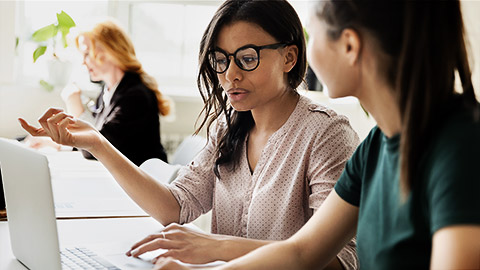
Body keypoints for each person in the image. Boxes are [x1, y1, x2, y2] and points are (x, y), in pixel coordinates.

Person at [18, 0, 360, 269]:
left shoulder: (326, 133)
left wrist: (217, 247)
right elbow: (175, 207)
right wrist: (97, 142)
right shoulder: (228, 129)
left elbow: (339, 262)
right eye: (221, 60)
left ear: (289, 57)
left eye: (247, 58)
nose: (230, 75)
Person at [150, 0, 480, 269]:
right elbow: (302, 253)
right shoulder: (377, 145)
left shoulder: (461, 148)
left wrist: (218, 247)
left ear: (349, 45)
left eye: (314, 32)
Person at [26, 20, 170, 166]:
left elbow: (95, 148)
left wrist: (75, 106)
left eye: (87, 53)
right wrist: (55, 143)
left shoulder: (135, 96)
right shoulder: (108, 91)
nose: (83, 62)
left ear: (110, 51)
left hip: (146, 181)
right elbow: (97, 138)